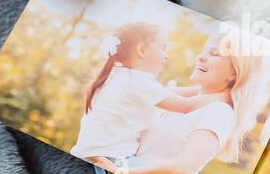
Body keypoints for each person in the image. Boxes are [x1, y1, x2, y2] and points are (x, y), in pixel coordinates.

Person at [92, 31, 265, 174]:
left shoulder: (219, 112)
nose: (201, 57)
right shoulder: (189, 99)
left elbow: (183, 168)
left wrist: (120, 172)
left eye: (214, 53)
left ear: (234, 72)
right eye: (204, 51)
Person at [69, 22, 214, 162]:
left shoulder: (117, 76)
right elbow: (186, 106)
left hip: (86, 155)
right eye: (163, 48)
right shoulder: (138, 82)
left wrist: (201, 90)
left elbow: (168, 92)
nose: (166, 56)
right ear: (142, 50)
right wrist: (223, 94)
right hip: (110, 159)